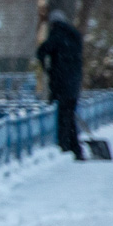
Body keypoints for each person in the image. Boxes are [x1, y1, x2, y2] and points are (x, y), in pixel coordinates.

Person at [36, 9, 85, 160]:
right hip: (74, 82)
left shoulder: (57, 35)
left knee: (63, 117)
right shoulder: (75, 36)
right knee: (69, 115)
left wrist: (47, 69)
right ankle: (74, 147)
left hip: (60, 82)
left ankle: (66, 146)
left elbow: (41, 51)